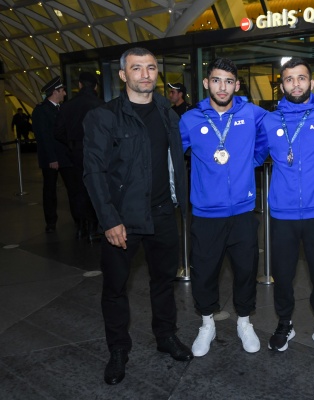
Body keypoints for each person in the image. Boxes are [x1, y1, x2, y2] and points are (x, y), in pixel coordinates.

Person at [82, 47, 193, 386]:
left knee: (163, 281)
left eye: (151, 68)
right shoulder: (103, 117)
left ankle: (165, 336)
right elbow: (94, 172)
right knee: (115, 288)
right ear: (122, 75)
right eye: (136, 68)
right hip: (123, 220)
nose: (145, 74)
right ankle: (118, 350)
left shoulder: (166, 112)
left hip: (162, 214)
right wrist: (109, 220)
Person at [179, 58, 267, 357]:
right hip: (206, 213)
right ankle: (207, 324)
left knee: (245, 270)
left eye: (229, 81)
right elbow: (172, 155)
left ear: (237, 85)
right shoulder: (190, 119)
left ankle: (244, 322)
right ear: (207, 83)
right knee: (204, 272)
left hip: (243, 211)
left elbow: (279, 127)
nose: (222, 87)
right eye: (216, 80)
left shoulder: (251, 113)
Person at [254, 57, 314, 355]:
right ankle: (284, 322)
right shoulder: (269, 120)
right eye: (289, 79)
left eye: (301, 78)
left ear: (311, 83)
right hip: (281, 212)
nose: (296, 84)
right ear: (281, 85)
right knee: (283, 273)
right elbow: (255, 153)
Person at [55, 72, 104, 240]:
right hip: (96, 152)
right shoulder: (100, 105)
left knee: (77, 190)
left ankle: (80, 226)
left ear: (80, 85)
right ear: (95, 87)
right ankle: (93, 225)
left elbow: (58, 132)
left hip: (75, 152)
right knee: (95, 188)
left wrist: (71, 142)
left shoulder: (67, 106)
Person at [31, 76, 78, 233]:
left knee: (73, 188)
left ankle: (78, 220)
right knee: (50, 191)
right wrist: (52, 158)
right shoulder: (41, 111)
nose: (64, 93)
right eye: (62, 91)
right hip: (51, 159)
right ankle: (51, 222)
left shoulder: (61, 108)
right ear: (55, 92)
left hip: (65, 157)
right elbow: (43, 136)